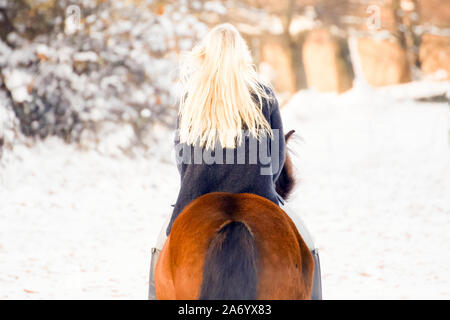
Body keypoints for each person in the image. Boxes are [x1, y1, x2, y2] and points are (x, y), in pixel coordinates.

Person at [149, 23, 321, 300]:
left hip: (195, 197)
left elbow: (182, 159)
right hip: (260, 194)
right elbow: (276, 160)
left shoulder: (191, 96)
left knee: (160, 250)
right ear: (242, 55)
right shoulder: (264, 95)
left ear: (205, 55)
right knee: (307, 245)